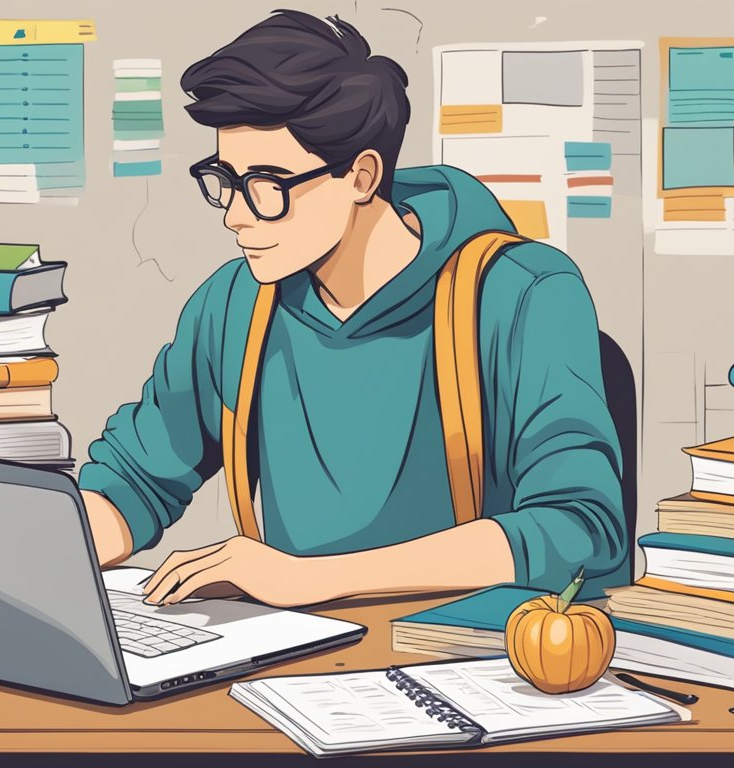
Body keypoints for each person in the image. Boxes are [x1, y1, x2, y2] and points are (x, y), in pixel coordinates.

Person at [77, 10, 627, 608]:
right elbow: (135, 481)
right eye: (225, 181)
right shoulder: (235, 303)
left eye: (267, 186)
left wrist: (313, 579)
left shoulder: (521, 292)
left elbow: (583, 528)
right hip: (291, 660)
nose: (236, 215)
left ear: (362, 175)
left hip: (467, 660)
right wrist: (35, 547)